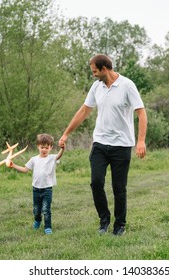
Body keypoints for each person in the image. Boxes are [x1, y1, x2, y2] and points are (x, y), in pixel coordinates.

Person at [59, 54, 147, 236]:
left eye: (95, 71)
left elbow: (141, 113)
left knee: (118, 187)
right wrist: (66, 134)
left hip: (122, 145)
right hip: (100, 144)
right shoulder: (96, 86)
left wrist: (140, 141)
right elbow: (84, 110)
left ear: (104, 69)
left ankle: (120, 225)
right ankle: (104, 219)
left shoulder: (127, 85)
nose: (93, 75)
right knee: (96, 182)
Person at [9, 133, 65, 235]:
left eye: (46, 148)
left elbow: (59, 156)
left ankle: (47, 226)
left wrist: (62, 149)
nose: (44, 150)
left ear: (51, 148)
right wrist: (14, 165)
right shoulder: (34, 159)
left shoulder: (52, 158)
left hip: (47, 189)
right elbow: (25, 169)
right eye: (42, 147)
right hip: (36, 189)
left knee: (46, 209)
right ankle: (37, 221)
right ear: (38, 146)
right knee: (36, 209)